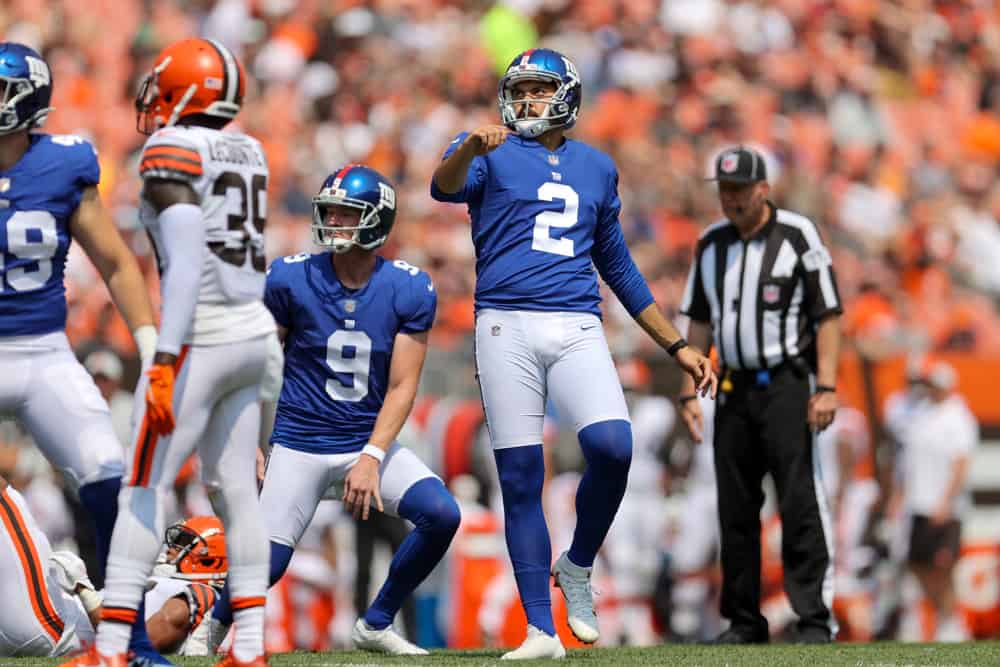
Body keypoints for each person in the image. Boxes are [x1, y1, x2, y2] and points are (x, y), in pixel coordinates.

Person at [431, 47, 716, 659]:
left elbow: (617, 266)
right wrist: (466, 151)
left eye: (538, 90)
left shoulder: (597, 166)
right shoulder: (488, 148)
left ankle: (578, 563)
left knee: (615, 446)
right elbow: (441, 186)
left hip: (578, 322)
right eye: (520, 90)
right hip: (504, 323)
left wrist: (676, 344)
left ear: (565, 96)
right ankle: (540, 629)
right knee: (521, 475)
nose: (526, 100)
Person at [63, 38, 279, 667]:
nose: (153, 100)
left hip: (205, 334)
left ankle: (109, 649)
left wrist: (165, 357)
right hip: (252, 332)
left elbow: (184, 263)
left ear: (187, 90)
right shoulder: (252, 148)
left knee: (143, 486)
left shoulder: (172, 148)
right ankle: (252, 649)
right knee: (235, 490)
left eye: (163, 87)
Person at [207, 165, 460, 657]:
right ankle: (211, 625)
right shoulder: (289, 277)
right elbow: (259, 368)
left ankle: (376, 621)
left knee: (442, 514)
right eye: (332, 212)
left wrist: (372, 454)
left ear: (377, 221)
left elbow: (404, 384)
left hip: (365, 444)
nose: (336, 222)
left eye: (348, 213)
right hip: (300, 443)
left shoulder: (408, 287)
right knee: (271, 564)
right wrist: (250, 441)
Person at [0, 42, 167, 664]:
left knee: (107, 476)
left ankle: (135, 639)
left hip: (43, 352)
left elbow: (117, 263)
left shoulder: (65, 164)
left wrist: (149, 344)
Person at [679, 146, 843, 644]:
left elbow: (827, 314)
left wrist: (828, 386)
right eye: (725, 190)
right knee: (735, 510)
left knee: (798, 502)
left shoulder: (798, 235)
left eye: (740, 189)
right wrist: (690, 393)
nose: (732, 199)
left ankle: (814, 618)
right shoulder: (711, 243)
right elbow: (700, 322)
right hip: (732, 389)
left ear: (763, 188)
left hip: (788, 385)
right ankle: (744, 620)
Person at [889, 361, 977, 641]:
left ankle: (952, 621)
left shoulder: (958, 415)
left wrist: (946, 502)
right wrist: (899, 496)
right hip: (918, 502)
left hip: (943, 506)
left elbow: (962, 463)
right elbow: (907, 462)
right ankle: (943, 614)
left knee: (942, 566)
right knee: (917, 563)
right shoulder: (921, 413)